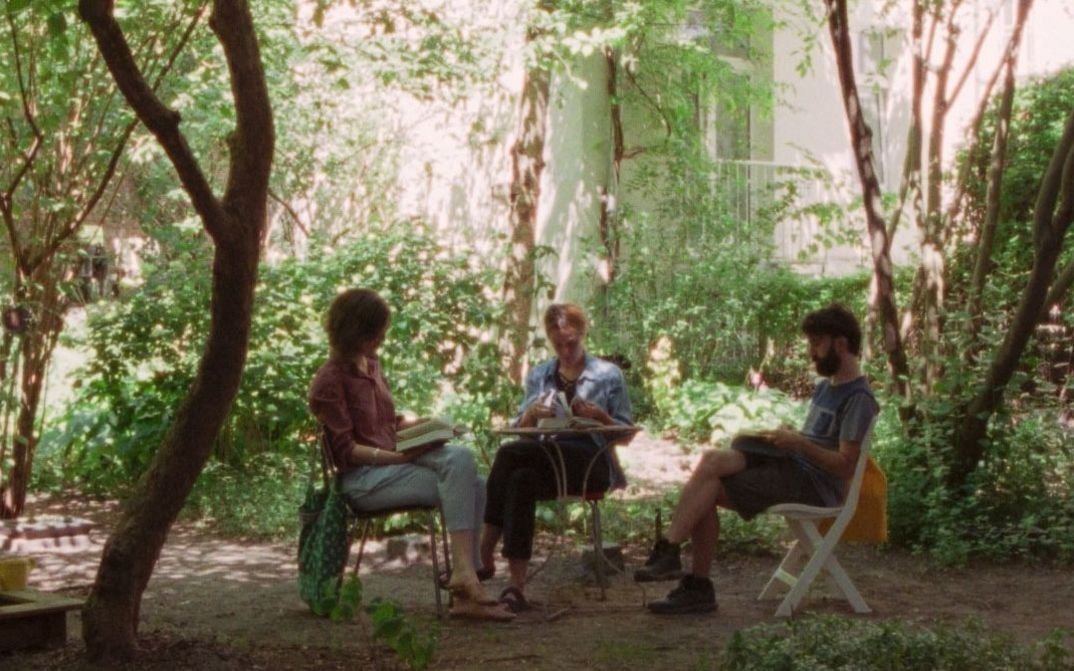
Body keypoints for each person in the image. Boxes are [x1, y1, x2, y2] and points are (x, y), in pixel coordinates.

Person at [636, 304, 879, 615]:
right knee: (712, 462)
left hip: (814, 486)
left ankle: (684, 571)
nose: (811, 353)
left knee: (707, 487)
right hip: (792, 469)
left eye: (817, 344)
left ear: (841, 344)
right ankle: (685, 572)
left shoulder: (858, 399)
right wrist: (788, 438)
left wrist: (799, 444)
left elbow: (844, 466)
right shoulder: (826, 388)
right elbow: (815, 442)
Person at [308, 288, 512, 621]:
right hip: (362, 480)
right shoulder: (329, 380)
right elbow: (347, 451)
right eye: (375, 334)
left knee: (469, 472)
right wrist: (399, 458)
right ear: (355, 333)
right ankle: (466, 582)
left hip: (394, 460)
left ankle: (465, 579)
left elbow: (386, 422)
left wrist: (425, 429)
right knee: (467, 483)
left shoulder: (371, 363)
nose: (381, 340)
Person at [479, 303, 633, 612]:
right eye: (558, 344)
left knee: (510, 453)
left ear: (583, 333)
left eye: (571, 343)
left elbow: (627, 435)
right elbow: (521, 431)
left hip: (590, 463)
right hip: (545, 459)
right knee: (520, 478)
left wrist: (601, 417)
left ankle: (483, 551)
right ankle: (516, 586)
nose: (565, 350)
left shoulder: (607, 375)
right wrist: (531, 416)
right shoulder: (540, 375)